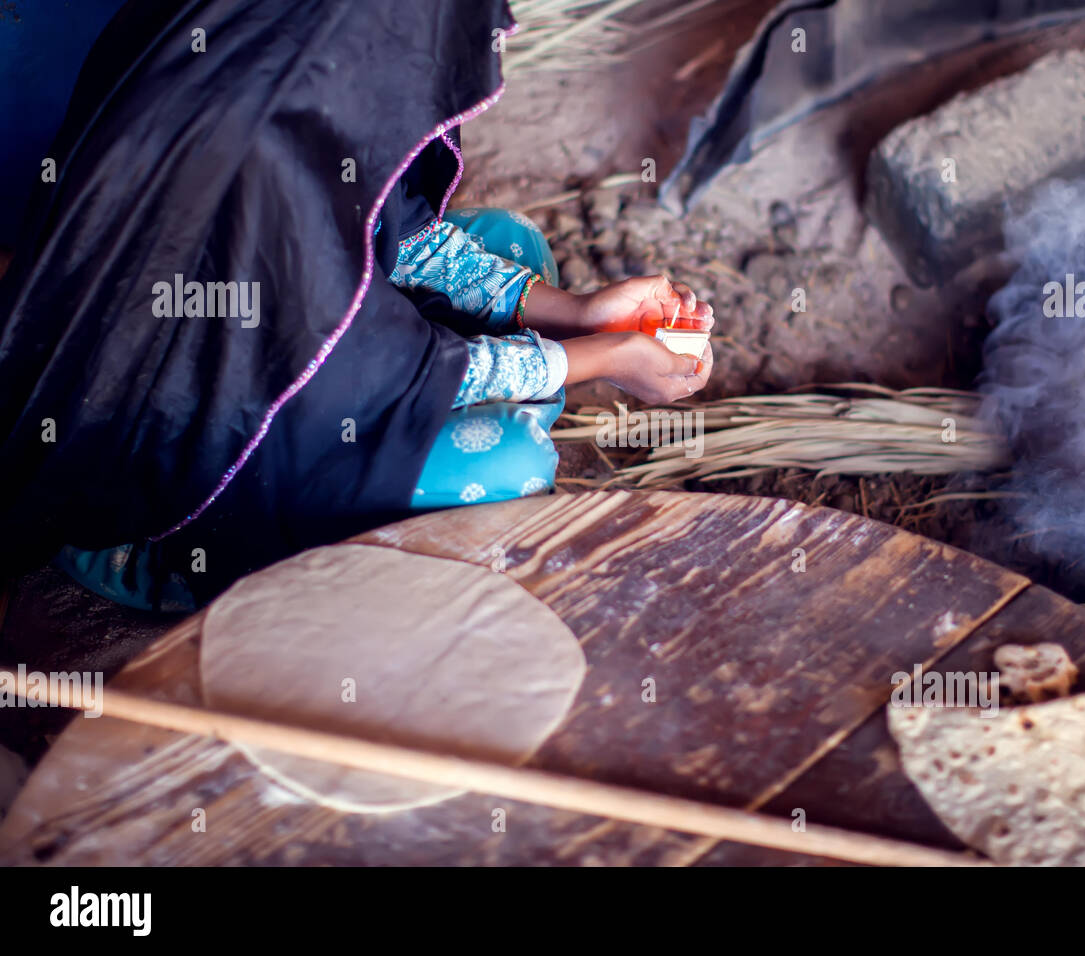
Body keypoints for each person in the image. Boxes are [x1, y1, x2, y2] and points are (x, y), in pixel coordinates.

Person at [0, 0, 712, 611]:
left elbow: (401, 235)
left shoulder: (326, 47)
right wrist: (602, 357)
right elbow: (363, 373)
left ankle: (454, 443)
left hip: (311, 349)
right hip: (183, 475)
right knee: (513, 464)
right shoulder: (257, 159)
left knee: (508, 241)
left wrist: (583, 316)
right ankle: (199, 572)